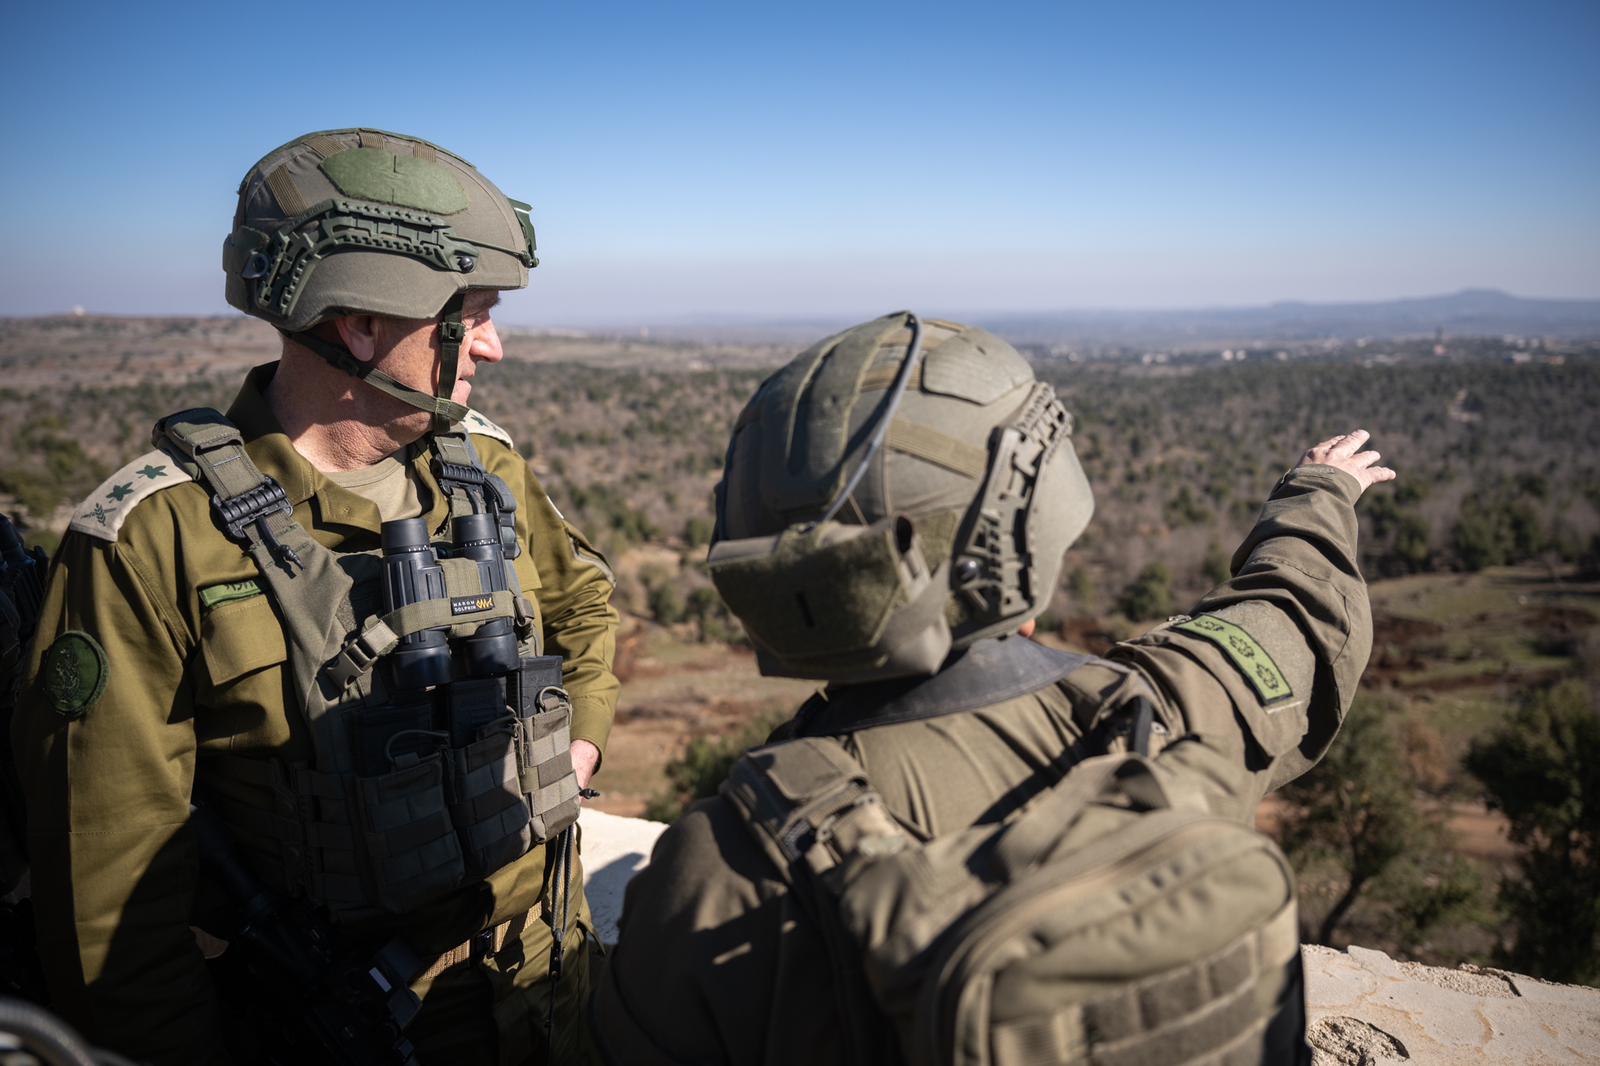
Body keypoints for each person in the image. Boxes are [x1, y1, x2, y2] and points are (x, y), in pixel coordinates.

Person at [593, 312, 1395, 1065]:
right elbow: (1295, 617)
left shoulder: (720, 866)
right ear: (1028, 524)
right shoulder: (1175, 705)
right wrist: (1319, 492)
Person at [12, 129, 620, 1065]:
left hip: (546, 993)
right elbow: (111, 897)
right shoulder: (155, 540)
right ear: (360, 324)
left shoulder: (482, 467)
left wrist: (575, 745)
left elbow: (582, 606)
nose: (492, 348)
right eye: (472, 313)